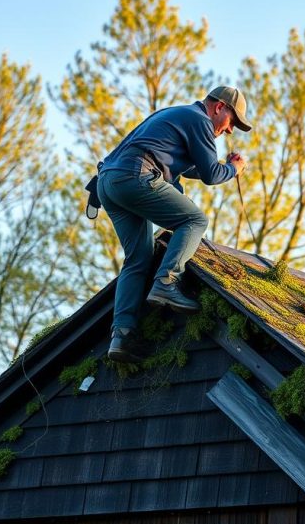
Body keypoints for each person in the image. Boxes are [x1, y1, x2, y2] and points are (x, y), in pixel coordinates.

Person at [95, 86, 251, 362]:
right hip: (135, 175)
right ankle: (167, 282)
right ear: (219, 108)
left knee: (138, 258)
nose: (229, 131)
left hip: (109, 183)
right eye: (232, 122)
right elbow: (211, 174)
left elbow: (189, 167)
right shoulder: (200, 121)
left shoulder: (176, 114)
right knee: (194, 219)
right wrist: (234, 169)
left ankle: (122, 335)